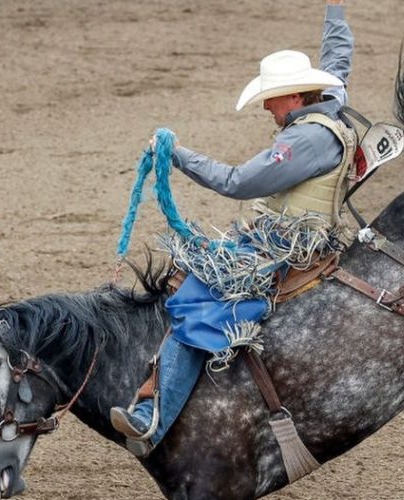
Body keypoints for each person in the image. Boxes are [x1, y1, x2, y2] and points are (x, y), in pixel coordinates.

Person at [110, 0, 356, 456]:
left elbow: (237, 182)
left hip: (284, 246)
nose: (266, 106)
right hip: (296, 235)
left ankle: (151, 418)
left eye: (272, 97)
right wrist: (335, 13)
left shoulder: (306, 139)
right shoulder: (332, 107)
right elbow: (338, 62)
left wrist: (177, 153)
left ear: (298, 96)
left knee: (204, 296)